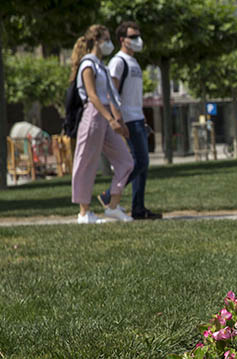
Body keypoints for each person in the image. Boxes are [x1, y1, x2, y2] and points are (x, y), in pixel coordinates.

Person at [69, 24, 134, 224]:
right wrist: (110, 120)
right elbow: (93, 97)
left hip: (106, 116)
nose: (109, 43)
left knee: (126, 162)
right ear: (96, 41)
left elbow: (110, 97)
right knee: (86, 162)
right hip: (93, 116)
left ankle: (113, 207)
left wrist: (119, 121)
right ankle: (84, 213)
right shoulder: (88, 65)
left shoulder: (101, 66)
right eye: (106, 39)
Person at [98, 20, 162, 220]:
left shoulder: (134, 62)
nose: (137, 40)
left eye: (138, 35)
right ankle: (109, 194)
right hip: (127, 119)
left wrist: (142, 119)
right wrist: (118, 120)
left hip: (137, 118)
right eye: (133, 36)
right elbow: (111, 92)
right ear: (122, 40)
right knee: (139, 162)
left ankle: (138, 209)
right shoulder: (118, 61)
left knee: (142, 166)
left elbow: (134, 95)